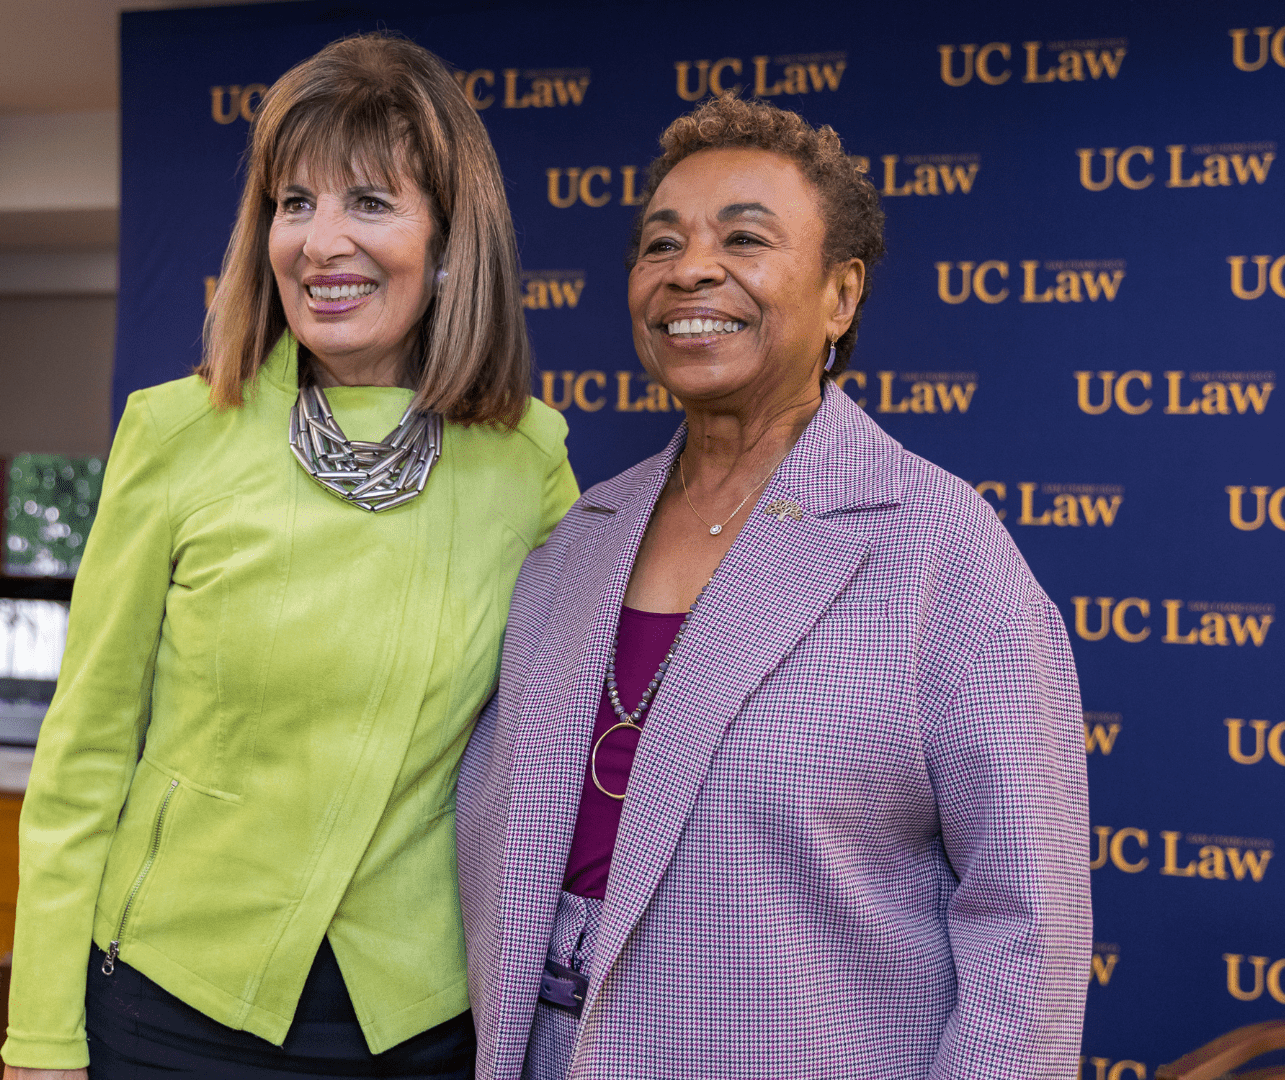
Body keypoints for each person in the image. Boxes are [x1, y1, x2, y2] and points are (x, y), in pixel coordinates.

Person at [456, 95, 1091, 1079]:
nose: (690, 269)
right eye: (660, 244)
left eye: (743, 238)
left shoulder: (938, 547)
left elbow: (1030, 924)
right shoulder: (576, 540)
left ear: (841, 296)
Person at [3, 33, 577, 1080]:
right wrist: (40, 1034)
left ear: (452, 242)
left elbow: (556, 759)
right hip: (173, 1006)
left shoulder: (527, 465)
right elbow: (81, 760)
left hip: (420, 1023)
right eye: (293, 202)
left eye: (368, 201)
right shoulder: (178, 433)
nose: (319, 242)